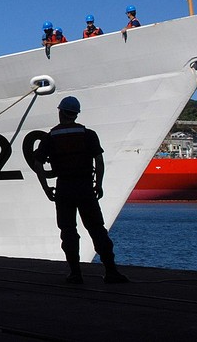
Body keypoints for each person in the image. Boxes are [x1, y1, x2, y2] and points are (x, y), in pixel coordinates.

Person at [33, 96, 129, 285]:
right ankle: (111, 271)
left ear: (60, 112)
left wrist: (45, 188)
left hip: (64, 187)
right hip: (85, 186)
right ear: (76, 114)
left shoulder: (50, 137)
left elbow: (38, 163)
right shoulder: (88, 134)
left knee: (68, 230)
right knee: (96, 229)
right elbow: (99, 161)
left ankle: (75, 273)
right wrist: (98, 184)